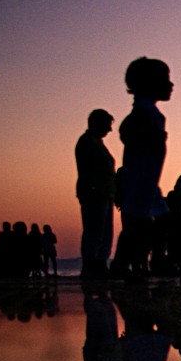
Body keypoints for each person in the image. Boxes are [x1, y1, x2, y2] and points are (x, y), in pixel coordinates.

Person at [110, 57, 173, 279]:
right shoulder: (143, 111)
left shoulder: (151, 112)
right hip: (139, 179)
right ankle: (123, 264)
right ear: (149, 84)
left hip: (149, 181)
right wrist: (149, 135)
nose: (171, 85)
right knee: (137, 225)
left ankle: (154, 260)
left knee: (161, 220)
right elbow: (126, 129)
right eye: (165, 80)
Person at [75, 108, 116, 278]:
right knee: (94, 230)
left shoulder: (97, 142)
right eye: (107, 125)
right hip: (94, 193)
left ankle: (100, 264)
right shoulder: (86, 142)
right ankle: (91, 265)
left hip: (105, 194)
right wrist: (91, 190)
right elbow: (87, 170)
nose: (110, 129)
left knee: (104, 231)